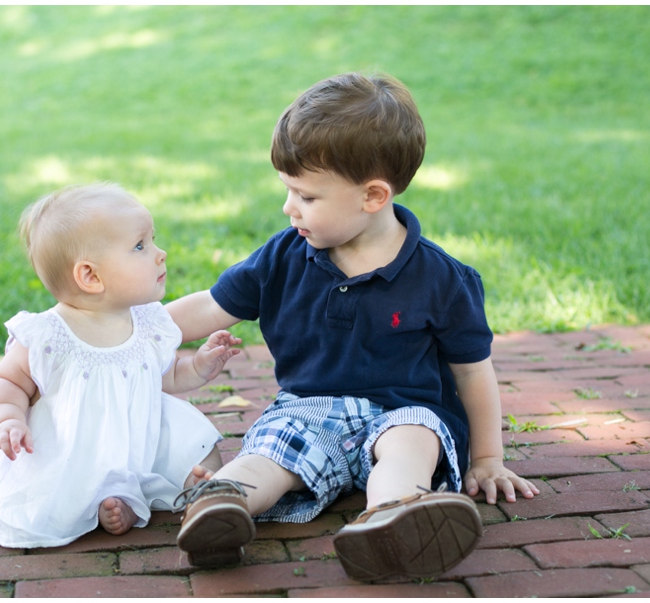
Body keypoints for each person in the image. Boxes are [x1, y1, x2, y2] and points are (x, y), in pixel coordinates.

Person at [166, 72, 539, 580]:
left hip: (403, 410)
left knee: (412, 441)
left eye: (307, 197)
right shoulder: (282, 256)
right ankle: (221, 504)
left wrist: (488, 457)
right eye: (288, 191)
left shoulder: (442, 280)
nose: (288, 207)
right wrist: (141, 331)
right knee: (273, 449)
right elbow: (212, 306)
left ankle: (391, 518)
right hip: (309, 410)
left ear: (373, 196)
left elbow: (473, 372)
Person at [0, 182, 241, 548]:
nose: (160, 254)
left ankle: (194, 490)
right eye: (140, 246)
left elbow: (161, 378)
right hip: (75, 448)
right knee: (68, 490)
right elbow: (9, 381)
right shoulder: (48, 336)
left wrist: (198, 366)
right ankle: (108, 505)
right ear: (90, 276)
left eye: (153, 240)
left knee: (195, 443)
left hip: (138, 439)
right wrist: (7, 418)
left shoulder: (147, 324)